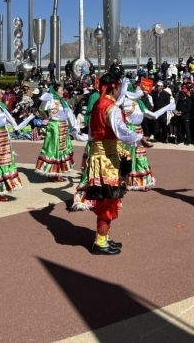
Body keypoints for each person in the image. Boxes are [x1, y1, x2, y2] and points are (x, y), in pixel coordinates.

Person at [85, 74, 153, 255]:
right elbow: (120, 130)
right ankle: (100, 242)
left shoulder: (98, 105)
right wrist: (139, 138)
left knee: (106, 198)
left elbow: (93, 131)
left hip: (101, 155)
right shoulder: (110, 107)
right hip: (107, 158)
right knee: (108, 200)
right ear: (114, 88)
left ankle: (104, 237)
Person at [35, 84, 75, 181]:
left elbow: (68, 114)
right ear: (56, 91)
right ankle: (51, 172)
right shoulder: (50, 99)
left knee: (62, 149)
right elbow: (41, 109)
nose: (63, 92)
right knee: (54, 149)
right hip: (54, 126)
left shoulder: (63, 101)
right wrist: (47, 117)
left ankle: (58, 172)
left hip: (63, 126)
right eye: (61, 90)